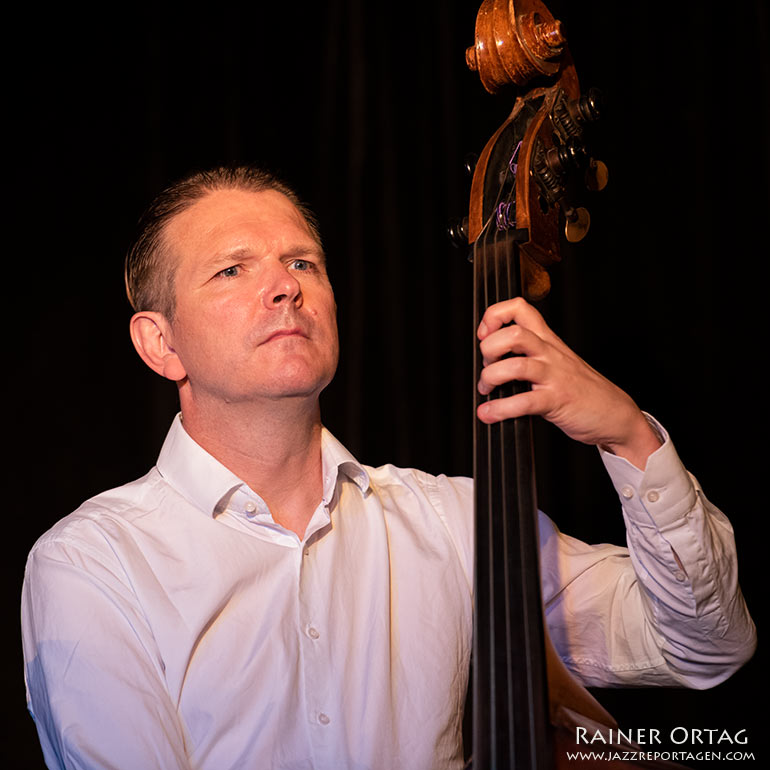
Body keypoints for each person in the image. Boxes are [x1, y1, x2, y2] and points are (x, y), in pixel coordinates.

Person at [21, 165, 755, 770]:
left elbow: (704, 646)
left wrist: (630, 439)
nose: (285, 286)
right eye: (232, 269)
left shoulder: (456, 525)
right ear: (160, 344)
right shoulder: (92, 565)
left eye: (302, 261)